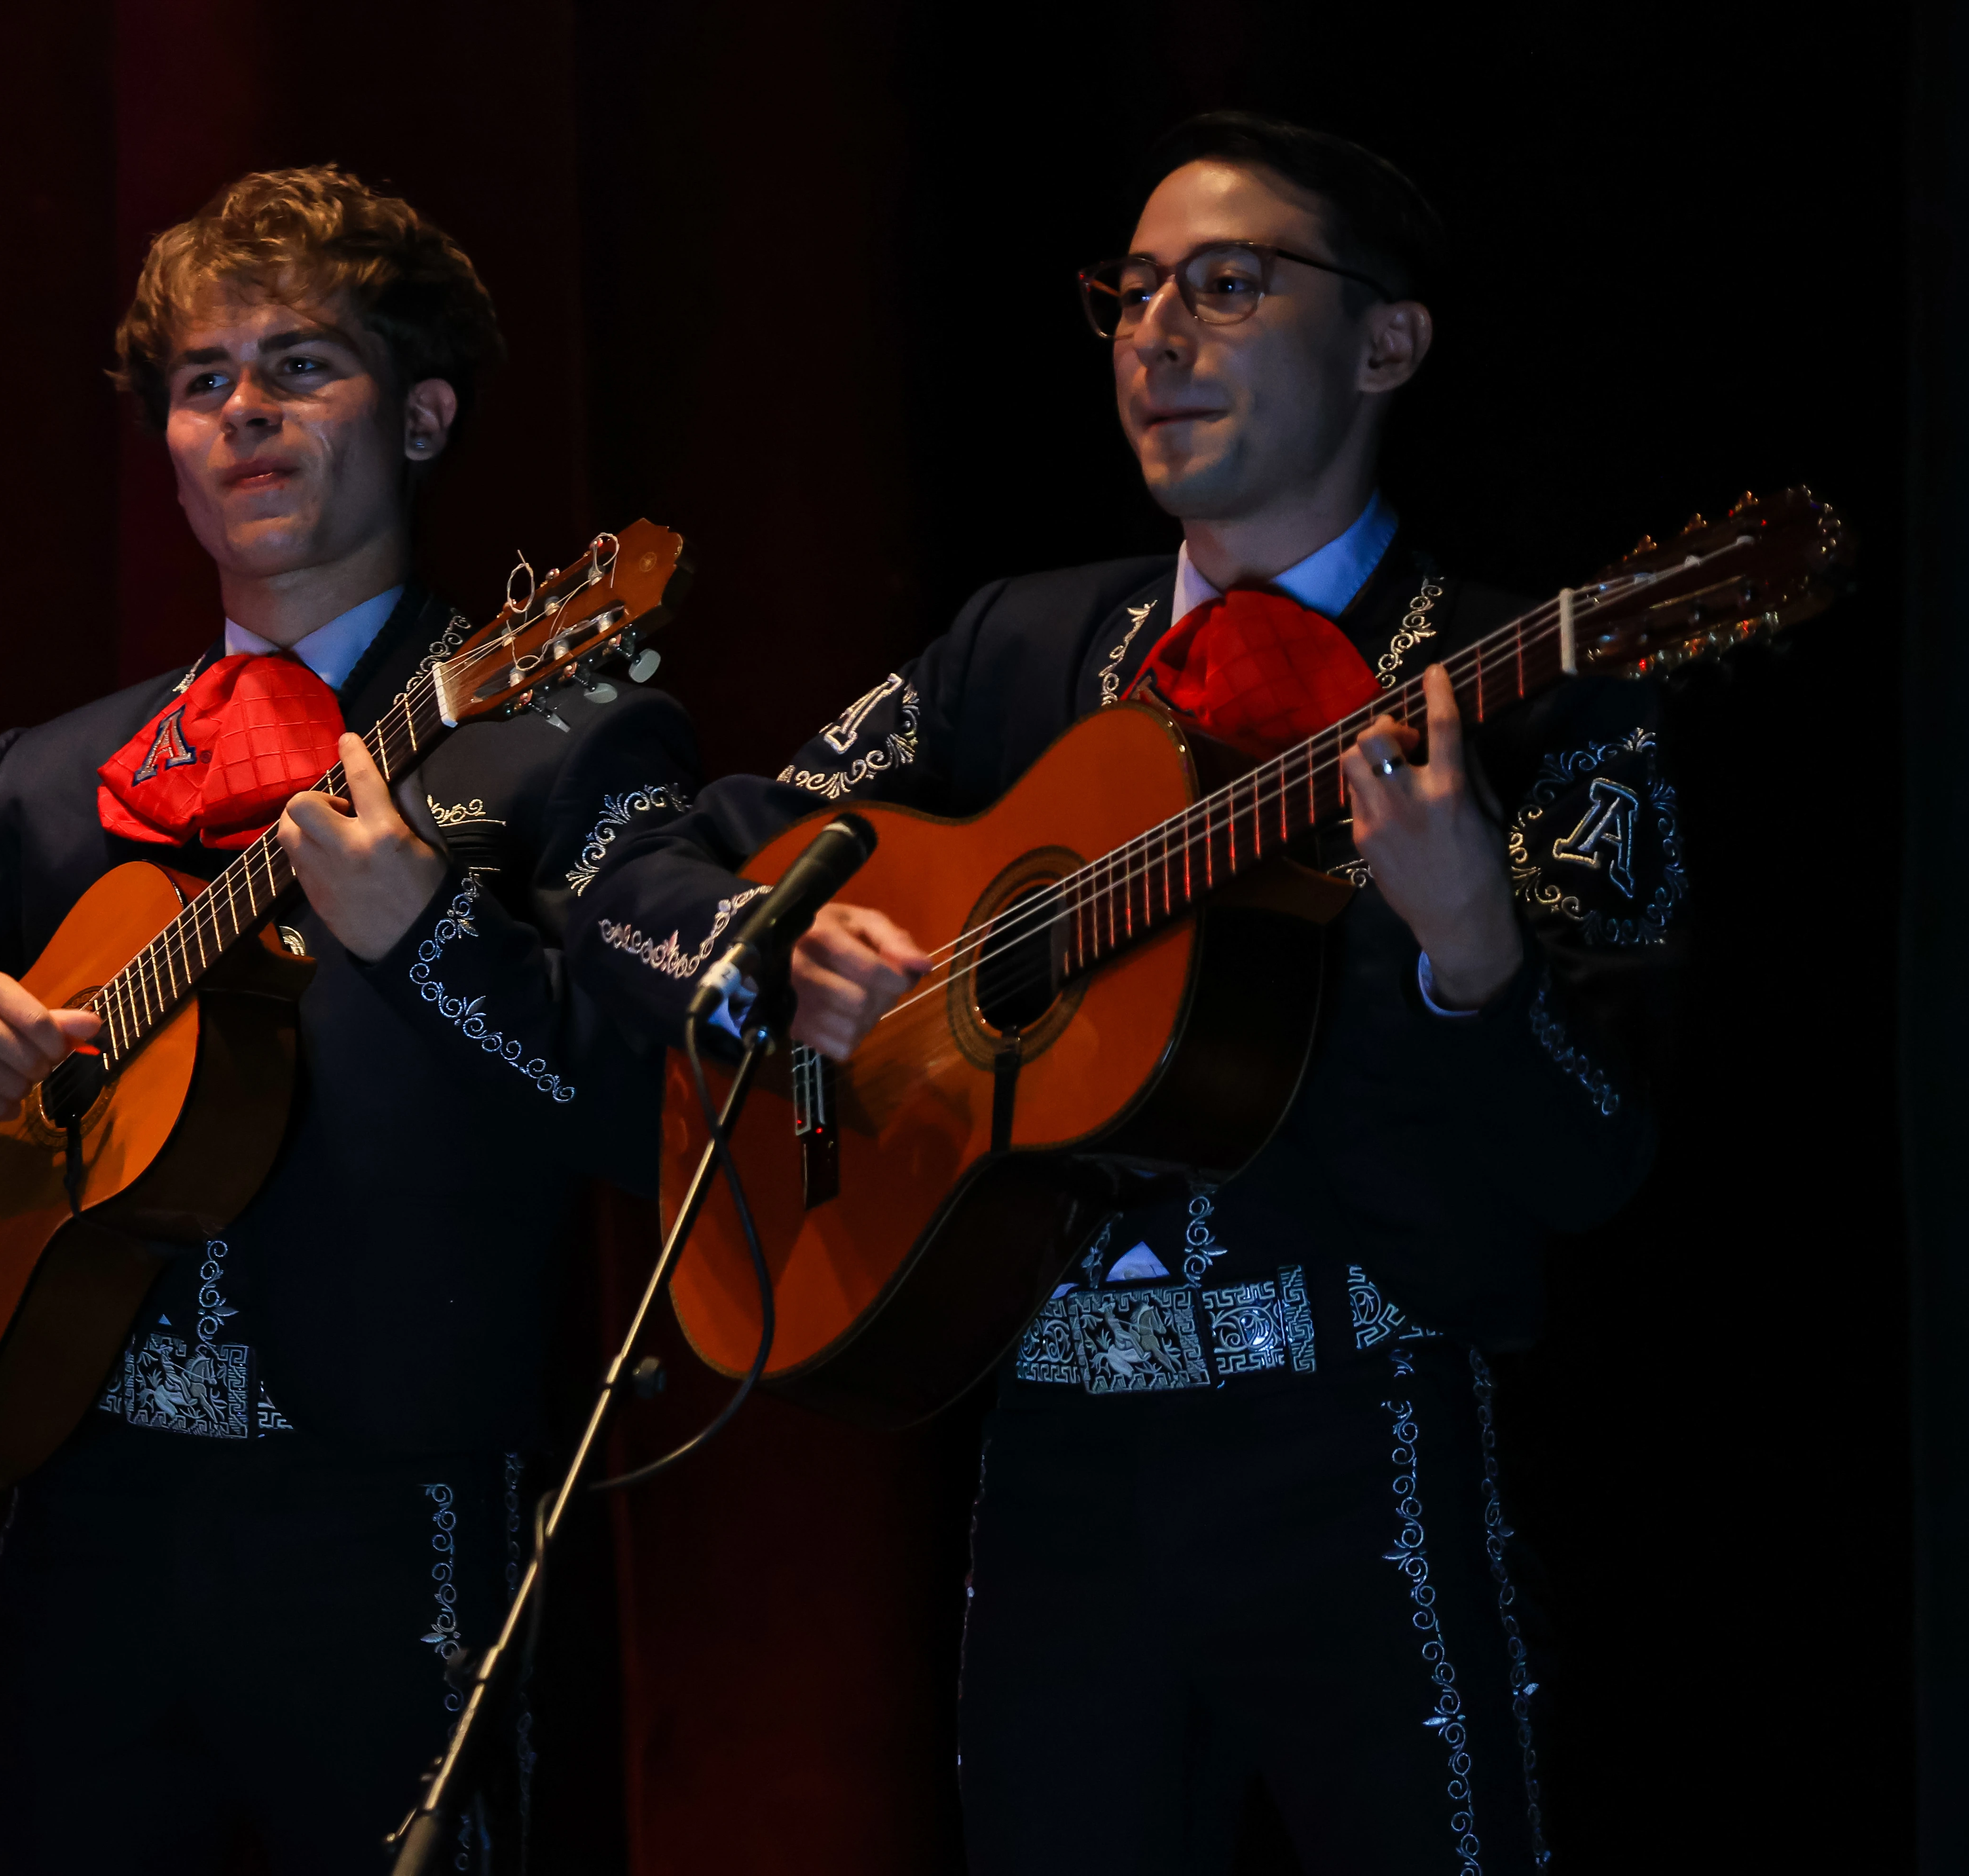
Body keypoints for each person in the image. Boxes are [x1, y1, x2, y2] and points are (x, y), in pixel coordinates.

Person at [570, 113, 1685, 1873]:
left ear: (1388, 343)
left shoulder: (1526, 691)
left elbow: (1592, 1158)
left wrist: (1475, 948)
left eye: (1229, 287)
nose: (1156, 337)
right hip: (1059, 1455)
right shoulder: (1020, 649)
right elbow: (658, 866)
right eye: (1133, 291)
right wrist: (764, 947)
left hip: (1361, 1446)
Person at [0, 166, 697, 1871]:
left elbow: (657, 1119)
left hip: (400, 1520)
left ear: (422, 414)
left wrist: (428, 941)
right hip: (87, 1513)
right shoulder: (51, 777)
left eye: (302, 365)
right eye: (202, 380)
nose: (243, 409)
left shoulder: (560, 734)